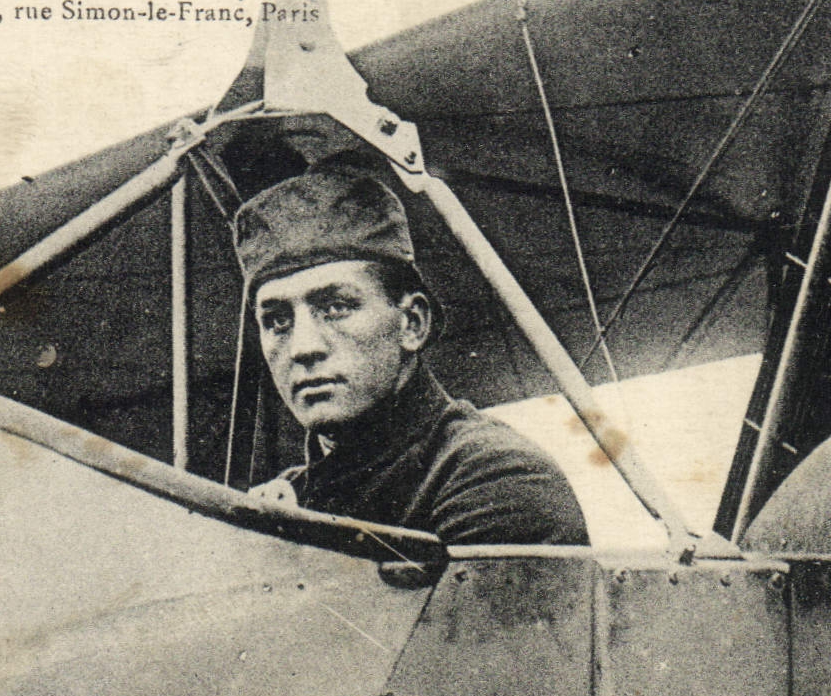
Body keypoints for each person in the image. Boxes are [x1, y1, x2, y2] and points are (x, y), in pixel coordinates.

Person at [232, 154, 589, 563]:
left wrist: (293, 555)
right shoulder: (291, 497)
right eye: (277, 320)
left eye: (335, 307)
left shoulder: (495, 478)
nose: (303, 347)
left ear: (412, 324)